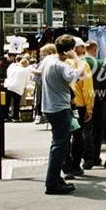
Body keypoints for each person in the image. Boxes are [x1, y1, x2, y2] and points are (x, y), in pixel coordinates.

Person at [40, 36, 86, 195]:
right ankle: (52, 183)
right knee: (60, 146)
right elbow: (79, 74)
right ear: (69, 49)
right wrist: (77, 58)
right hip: (60, 108)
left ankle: (55, 178)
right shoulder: (61, 66)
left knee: (57, 145)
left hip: (49, 106)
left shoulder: (48, 60)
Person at [65, 37, 95, 175]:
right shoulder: (82, 64)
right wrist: (90, 108)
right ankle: (76, 165)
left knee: (64, 136)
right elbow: (87, 88)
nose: (84, 49)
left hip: (63, 104)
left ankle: (66, 165)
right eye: (82, 47)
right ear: (77, 49)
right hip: (79, 105)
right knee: (78, 136)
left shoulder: (61, 62)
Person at [85, 40, 106, 167]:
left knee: (83, 129)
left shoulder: (78, 62)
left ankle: (84, 156)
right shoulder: (100, 64)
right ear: (95, 50)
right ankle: (95, 157)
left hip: (81, 100)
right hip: (99, 99)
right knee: (97, 129)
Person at [4, 57, 32, 122]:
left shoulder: (12, 67)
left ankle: (5, 116)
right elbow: (27, 81)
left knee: (7, 103)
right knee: (16, 103)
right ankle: (15, 117)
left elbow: (7, 73)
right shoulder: (25, 70)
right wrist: (25, 86)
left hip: (9, 85)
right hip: (18, 88)